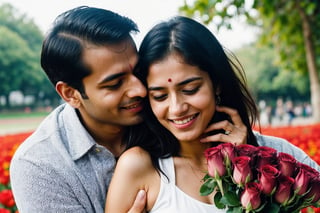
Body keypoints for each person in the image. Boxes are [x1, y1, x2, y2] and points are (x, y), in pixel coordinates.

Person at [105, 16, 320, 213]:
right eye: (160, 96)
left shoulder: (278, 156)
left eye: (190, 90)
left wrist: (250, 161)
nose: (177, 107)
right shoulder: (138, 167)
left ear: (216, 85)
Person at [9, 6, 148, 213]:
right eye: (115, 84)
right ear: (70, 94)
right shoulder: (39, 165)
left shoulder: (166, 115)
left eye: (139, 72)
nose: (141, 90)